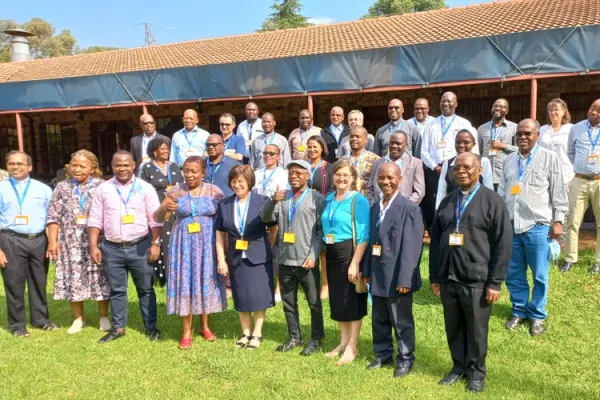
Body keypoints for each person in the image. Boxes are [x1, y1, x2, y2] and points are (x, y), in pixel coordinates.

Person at [430, 153, 512, 393]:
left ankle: (476, 373)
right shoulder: (447, 201)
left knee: (476, 330)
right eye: (457, 168)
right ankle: (458, 367)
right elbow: (435, 242)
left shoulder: (492, 201)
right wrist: (435, 277)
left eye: (467, 167)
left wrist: (495, 282)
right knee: (453, 326)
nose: (462, 171)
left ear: (479, 170)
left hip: (477, 278)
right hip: (449, 277)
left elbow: (503, 244)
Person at [499, 119, 568, 336]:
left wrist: (558, 221)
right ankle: (519, 310)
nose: (522, 137)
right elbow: (502, 191)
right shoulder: (509, 160)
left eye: (527, 133)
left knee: (539, 274)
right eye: (519, 134)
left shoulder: (549, 158)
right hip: (512, 225)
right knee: (514, 272)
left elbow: (558, 192)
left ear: (537, 134)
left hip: (537, 226)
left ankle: (537, 315)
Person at [88, 150, 163, 343]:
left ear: (134, 165)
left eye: (126, 165)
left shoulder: (145, 188)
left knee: (146, 289)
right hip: (111, 248)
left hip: (140, 246)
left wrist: (155, 243)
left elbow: (155, 219)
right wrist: (93, 245)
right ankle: (118, 328)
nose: (122, 168)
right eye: (117, 165)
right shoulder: (103, 189)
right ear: (112, 166)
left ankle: (151, 327)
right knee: (117, 290)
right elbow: (95, 219)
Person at [154, 156, 226, 349]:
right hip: (183, 245)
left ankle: (205, 326)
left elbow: (224, 219)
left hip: (208, 244)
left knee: (205, 281)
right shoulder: (175, 191)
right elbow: (157, 216)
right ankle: (186, 332)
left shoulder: (215, 192)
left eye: (194, 171)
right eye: (186, 170)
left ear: (203, 173)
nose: (189, 174)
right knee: (187, 282)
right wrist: (165, 209)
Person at [362, 162, 424, 379]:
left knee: (401, 321)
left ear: (400, 179)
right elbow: (372, 242)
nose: (385, 182)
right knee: (379, 318)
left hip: (398, 275)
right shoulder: (374, 207)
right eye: (381, 178)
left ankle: (406, 359)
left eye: (390, 177)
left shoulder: (409, 208)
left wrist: (405, 279)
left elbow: (412, 247)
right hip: (378, 272)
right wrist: (367, 270)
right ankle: (383, 354)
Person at [260, 160, 326, 356]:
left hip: (306, 261)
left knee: (314, 303)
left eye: (299, 172)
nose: (294, 176)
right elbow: (265, 218)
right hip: (286, 260)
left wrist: (313, 256)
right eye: (291, 173)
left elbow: (321, 232)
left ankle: (316, 339)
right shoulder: (283, 197)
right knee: (289, 302)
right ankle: (295, 337)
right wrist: (272, 200)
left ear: (308, 176)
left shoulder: (317, 199)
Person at [46, 150, 110, 335]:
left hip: (97, 240)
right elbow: (53, 215)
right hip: (69, 242)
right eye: (74, 165)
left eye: (83, 166)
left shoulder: (102, 186)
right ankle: (78, 319)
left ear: (93, 168)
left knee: (100, 277)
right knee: (73, 277)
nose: (77, 169)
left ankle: (104, 316)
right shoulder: (62, 187)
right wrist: (52, 241)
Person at [215, 165, 275, 350]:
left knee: (258, 295)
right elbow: (219, 232)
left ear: (249, 181)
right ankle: (245, 332)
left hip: (258, 256)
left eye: (240, 181)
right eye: (233, 181)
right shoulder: (224, 204)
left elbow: (274, 227)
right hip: (235, 257)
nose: (236, 185)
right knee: (241, 295)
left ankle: (257, 333)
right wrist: (221, 259)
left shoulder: (262, 201)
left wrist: (268, 247)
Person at [0, 151, 56, 337]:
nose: (15, 167)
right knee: (14, 283)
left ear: (29, 167)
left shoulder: (43, 189)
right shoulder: (1, 188)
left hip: (38, 239)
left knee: (39, 281)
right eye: (11, 163)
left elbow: (52, 217)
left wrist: (52, 242)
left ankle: (40, 320)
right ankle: (17, 325)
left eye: (20, 164)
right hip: (10, 239)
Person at [320, 159, 370, 365]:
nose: (341, 178)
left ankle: (353, 347)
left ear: (353, 179)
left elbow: (364, 234)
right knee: (338, 300)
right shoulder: (330, 198)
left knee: (352, 300)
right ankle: (342, 342)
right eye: (338, 174)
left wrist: (355, 263)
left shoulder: (358, 200)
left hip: (349, 252)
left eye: (346, 175)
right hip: (331, 252)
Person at [421, 92, 473, 232]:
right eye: (443, 101)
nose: (446, 104)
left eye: (449, 101)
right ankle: (436, 232)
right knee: (434, 202)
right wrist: (435, 167)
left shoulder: (463, 123)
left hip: (456, 169)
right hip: (434, 171)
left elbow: (471, 148)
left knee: (457, 198)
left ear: (456, 104)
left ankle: (459, 228)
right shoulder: (431, 125)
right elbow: (424, 151)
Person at [139, 137, 184, 285]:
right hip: (157, 211)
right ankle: (162, 274)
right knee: (161, 240)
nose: (166, 151)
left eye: (167, 148)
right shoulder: (147, 168)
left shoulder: (174, 167)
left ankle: (176, 271)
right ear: (154, 151)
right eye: (162, 148)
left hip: (175, 210)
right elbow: (142, 191)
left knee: (174, 240)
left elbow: (182, 187)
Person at [564, 98, 600, 273]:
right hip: (579, 179)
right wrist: (580, 168)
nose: (594, 112)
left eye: (598, 111)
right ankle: (570, 258)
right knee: (573, 221)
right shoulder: (576, 128)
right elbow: (570, 152)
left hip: (599, 180)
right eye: (592, 108)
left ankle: (598, 261)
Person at [306, 135, 334, 300]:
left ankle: (325, 285)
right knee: (307, 248)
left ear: (322, 148)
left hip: (322, 212)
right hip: (304, 213)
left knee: (322, 251)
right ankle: (311, 285)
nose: (311, 149)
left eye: (315, 146)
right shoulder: (303, 166)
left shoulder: (329, 168)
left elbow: (331, 190)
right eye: (309, 146)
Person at [436, 128, 494, 209]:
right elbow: (441, 191)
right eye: (458, 142)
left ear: (473, 144)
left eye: (466, 142)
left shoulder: (483, 162)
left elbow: (488, 188)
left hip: (477, 209)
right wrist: (438, 210)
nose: (461, 145)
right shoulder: (448, 164)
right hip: (452, 209)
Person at [367, 131, 425, 205]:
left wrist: (405, 207)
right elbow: (370, 188)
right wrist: (375, 205)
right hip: (379, 209)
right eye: (392, 143)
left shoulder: (415, 163)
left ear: (406, 145)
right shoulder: (378, 162)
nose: (394, 146)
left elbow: (419, 192)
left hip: (403, 210)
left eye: (398, 143)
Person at [477, 98, 518, 191]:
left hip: (505, 174)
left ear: (507, 111)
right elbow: (478, 151)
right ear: (492, 108)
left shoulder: (514, 128)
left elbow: (520, 151)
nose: (498, 108)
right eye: (496, 106)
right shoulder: (482, 128)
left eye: (502, 107)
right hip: (485, 175)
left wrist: (503, 146)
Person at [539, 98, 574, 192]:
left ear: (564, 111)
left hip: (566, 175)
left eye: (556, 110)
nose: (553, 112)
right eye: (550, 110)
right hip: (544, 175)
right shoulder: (542, 130)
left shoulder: (572, 129)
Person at [343, 126, 379, 200]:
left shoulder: (375, 159)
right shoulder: (342, 160)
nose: (354, 139)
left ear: (366, 140)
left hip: (367, 202)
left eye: (358, 136)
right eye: (352, 136)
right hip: (346, 202)